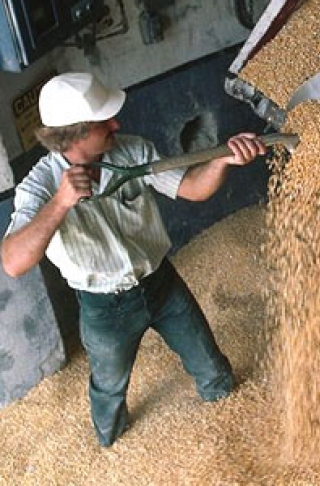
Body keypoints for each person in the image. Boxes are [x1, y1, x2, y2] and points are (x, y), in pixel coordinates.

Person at [1, 72, 267, 447]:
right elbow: (13, 262)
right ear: (74, 135)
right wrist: (60, 202)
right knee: (109, 386)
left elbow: (192, 188)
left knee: (210, 363)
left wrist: (224, 160)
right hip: (105, 308)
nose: (116, 124)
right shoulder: (39, 186)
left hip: (162, 283)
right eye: (103, 121)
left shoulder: (133, 151)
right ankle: (109, 441)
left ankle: (230, 414)